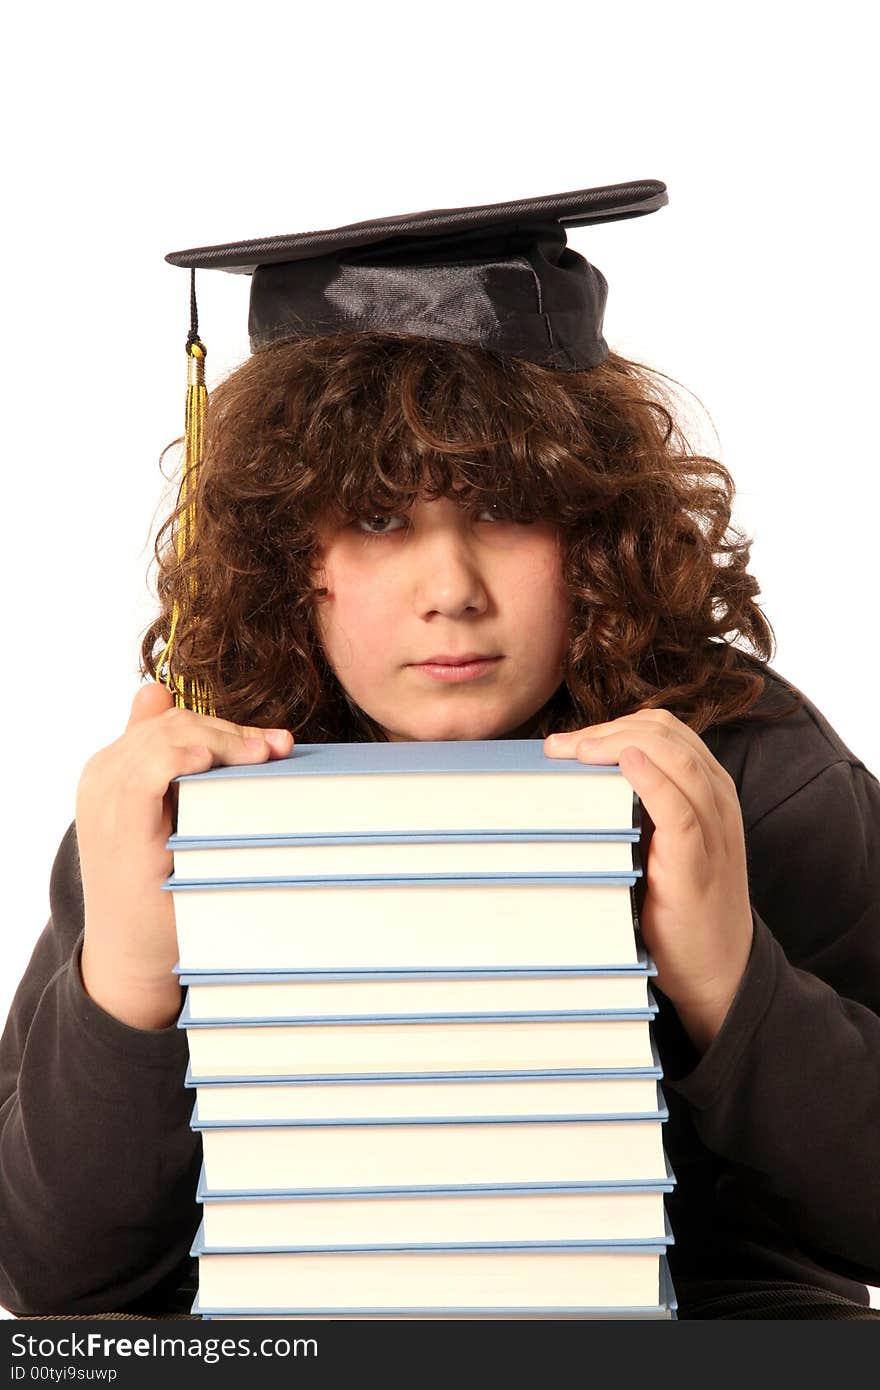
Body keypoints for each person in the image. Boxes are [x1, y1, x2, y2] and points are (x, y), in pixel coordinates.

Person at [1, 182, 879, 1321]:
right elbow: (51, 1277)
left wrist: (726, 975)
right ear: (283, 551)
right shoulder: (182, 786)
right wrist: (124, 972)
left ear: (597, 523)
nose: (451, 593)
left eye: (507, 510)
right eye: (375, 522)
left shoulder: (748, 765)